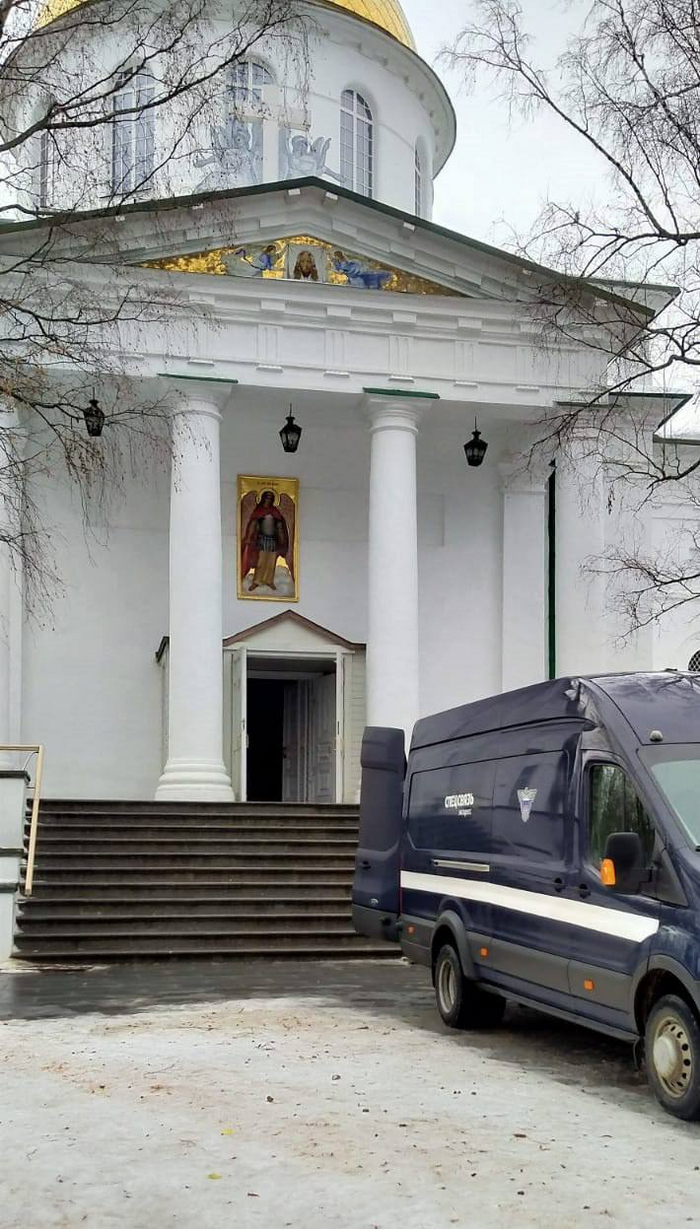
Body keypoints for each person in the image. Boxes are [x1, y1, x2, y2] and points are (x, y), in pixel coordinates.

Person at [241, 490, 289, 591]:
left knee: (271, 561)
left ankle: (269, 581)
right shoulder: (258, 511)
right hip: (262, 538)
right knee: (261, 561)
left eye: (270, 498)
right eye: (267, 497)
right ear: (263, 498)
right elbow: (253, 524)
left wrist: (282, 538)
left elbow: (280, 525)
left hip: (273, 540)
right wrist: (249, 537)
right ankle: (257, 581)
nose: (268, 500)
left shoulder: (275, 511)